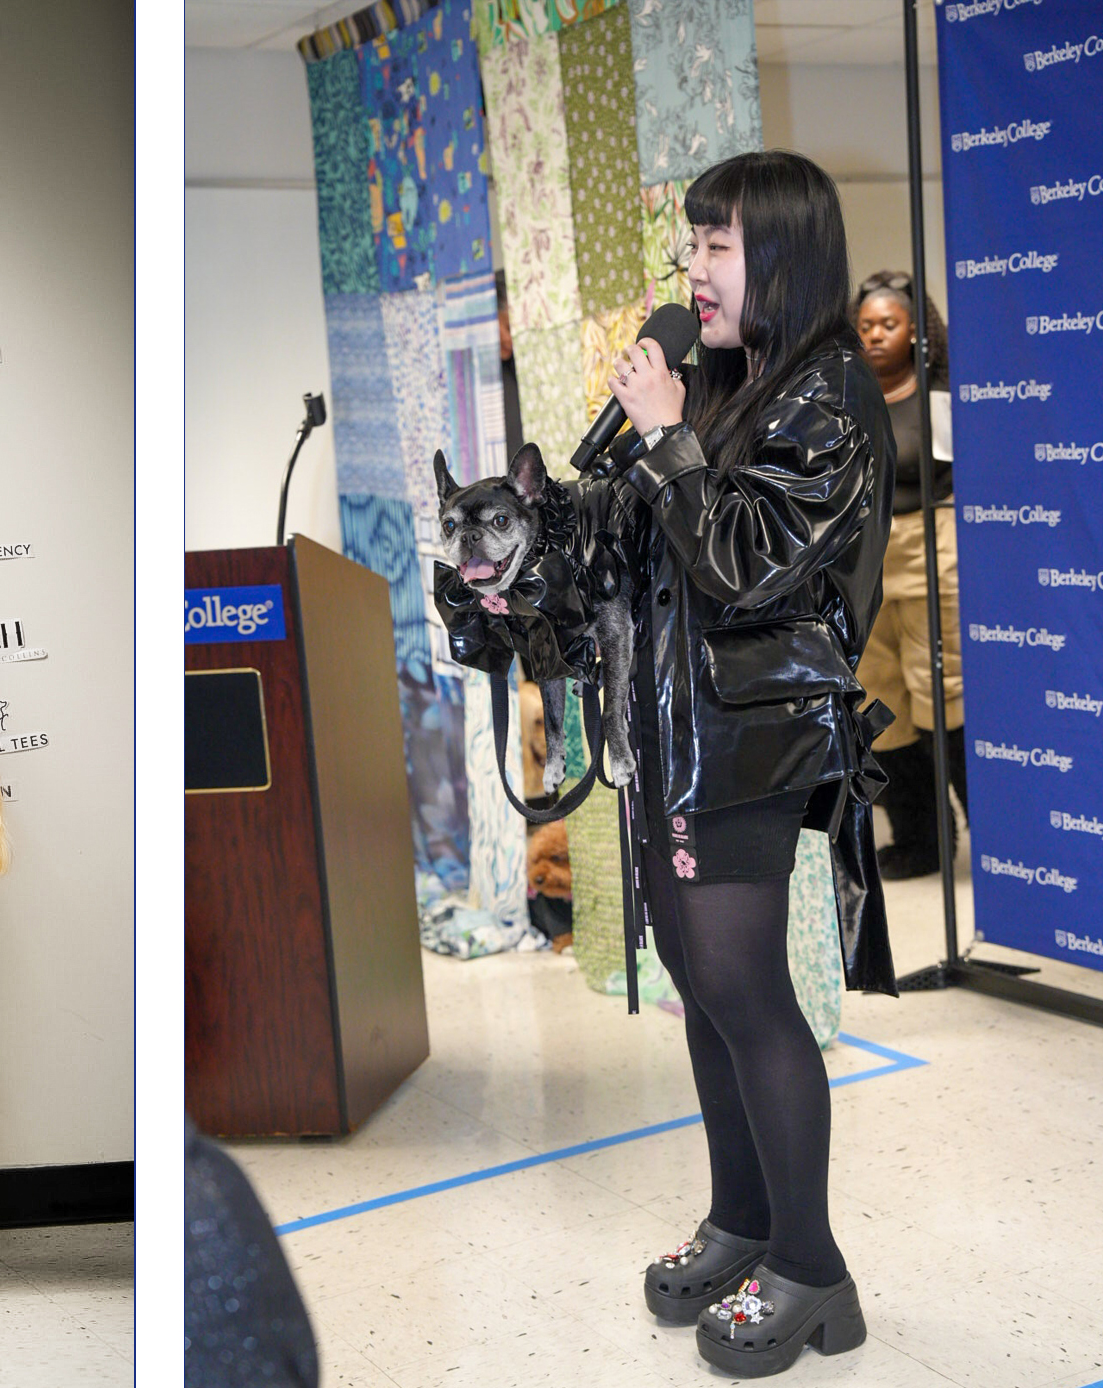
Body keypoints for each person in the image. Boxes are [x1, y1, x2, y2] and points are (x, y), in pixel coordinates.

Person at [451, 149, 893, 1377]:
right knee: (704, 993)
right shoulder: (718, 389)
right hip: (664, 738)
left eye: (718, 245)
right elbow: (633, 562)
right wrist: (518, 555)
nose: (693, 271)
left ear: (784, 256)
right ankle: (745, 1221)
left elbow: (746, 560)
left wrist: (669, 439)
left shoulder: (829, 393)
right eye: (689, 245)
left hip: (746, 746)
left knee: (750, 997)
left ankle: (811, 1266)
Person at [850, 270, 962, 879]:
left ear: (916, 330)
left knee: (944, 693)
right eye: (865, 325)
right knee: (879, 701)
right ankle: (921, 838)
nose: (874, 335)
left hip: (932, 552)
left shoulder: (942, 392)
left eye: (887, 325)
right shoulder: (849, 394)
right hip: (868, 560)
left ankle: (988, 830)